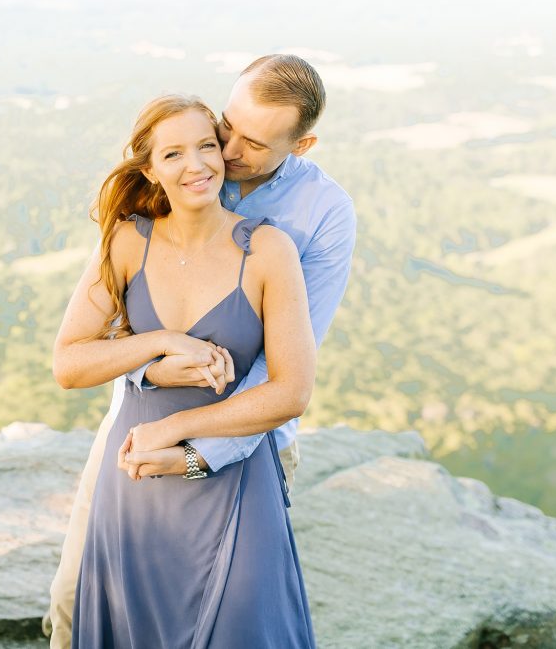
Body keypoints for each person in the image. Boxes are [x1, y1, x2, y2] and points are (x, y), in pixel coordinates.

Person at [45, 54, 356, 648]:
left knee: (231, 625)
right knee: (76, 604)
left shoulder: (313, 222)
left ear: (303, 144)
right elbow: (95, 344)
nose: (225, 150)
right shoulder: (140, 224)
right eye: (226, 126)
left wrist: (196, 450)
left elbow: (282, 375)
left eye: (253, 142)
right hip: (135, 435)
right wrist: (154, 364)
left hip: (241, 444)